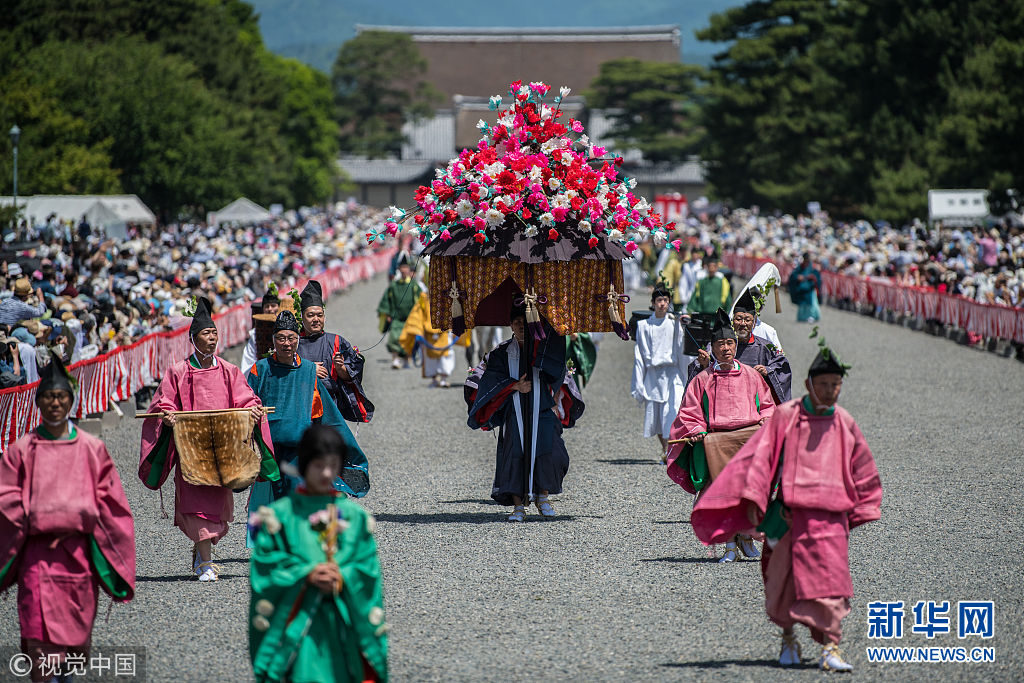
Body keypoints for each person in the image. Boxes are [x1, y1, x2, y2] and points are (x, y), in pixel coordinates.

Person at [690, 334, 882, 671]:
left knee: (832, 583)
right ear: (809, 384)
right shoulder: (787, 416)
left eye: (836, 384)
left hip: (830, 517)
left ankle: (830, 648)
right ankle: (788, 638)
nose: (830, 391)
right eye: (824, 384)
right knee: (783, 581)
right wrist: (753, 500)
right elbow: (760, 459)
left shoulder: (844, 421)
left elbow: (862, 467)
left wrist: (861, 507)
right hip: (789, 515)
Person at [0, 351, 135, 682]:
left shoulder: (92, 448)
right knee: (38, 638)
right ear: (38, 402)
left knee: (74, 647)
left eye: (61, 397)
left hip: (78, 558)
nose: (55, 404)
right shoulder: (21, 450)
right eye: (47, 397)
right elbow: (5, 499)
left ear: (71, 401)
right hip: (37, 557)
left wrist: (83, 512)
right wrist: (37, 514)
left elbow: (112, 503)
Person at [139, 296, 277, 581]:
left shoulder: (228, 371)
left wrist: (251, 412)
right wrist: (167, 415)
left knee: (217, 505)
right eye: (206, 333)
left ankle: (203, 553)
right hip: (191, 450)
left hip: (222, 450)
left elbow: (246, 399)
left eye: (214, 332)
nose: (212, 337)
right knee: (196, 505)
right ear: (193, 338)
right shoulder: (178, 372)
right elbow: (162, 402)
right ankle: (205, 561)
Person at [248, 425, 388, 683]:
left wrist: (343, 574)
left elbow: (368, 567)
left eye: (333, 465)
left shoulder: (355, 517)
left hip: (342, 619)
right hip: (297, 625)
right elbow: (265, 565)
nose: (326, 473)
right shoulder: (278, 516)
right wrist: (307, 574)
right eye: (318, 465)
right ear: (303, 465)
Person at [246, 310, 370, 546]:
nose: (286, 343)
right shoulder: (259, 370)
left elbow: (327, 416)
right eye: (281, 338)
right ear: (273, 341)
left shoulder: (308, 372)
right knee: (269, 503)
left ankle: (298, 546)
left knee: (298, 499)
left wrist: (347, 450)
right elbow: (244, 401)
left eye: (291, 338)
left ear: (297, 340)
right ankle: (273, 548)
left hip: (299, 452)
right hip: (266, 451)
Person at [666, 308, 776, 562]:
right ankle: (729, 546)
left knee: (751, 493)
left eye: (729, 343)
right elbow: (689, 411)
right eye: (720, 344)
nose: (726, 348)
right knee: (722, 496)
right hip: (716, 443)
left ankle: (747, 537)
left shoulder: (751, 375)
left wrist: (766, 425)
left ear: (735, 345)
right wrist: (696, 431)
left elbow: (768, 407)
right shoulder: (703, 379)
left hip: (748, 441)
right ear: (712, 348)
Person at [468, 304, 584, 521]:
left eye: (525, 322)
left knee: (551, 453)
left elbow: (557, 372)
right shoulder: (503, 352)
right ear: (511, 325)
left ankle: (543, 498)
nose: (521, 327)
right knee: (515, 455)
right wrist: (514, 386)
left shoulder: (544, 347)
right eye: (517, 323)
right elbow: (491, 379)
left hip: (542, 407)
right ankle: (518, 507)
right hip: (516, 410)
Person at [688, 288, 793, 403]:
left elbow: (782, 366)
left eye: (747, 320)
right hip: (723, 400)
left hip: (755, 402)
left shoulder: (765, 347)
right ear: (732, 321)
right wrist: (704, 364)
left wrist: (767, 370)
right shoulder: (719, 346)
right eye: (739, 319)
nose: (743, 324)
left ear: (753, 324)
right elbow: (700, 367)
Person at [295, 280, 375, 423]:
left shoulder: (337, 341)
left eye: (319, 315)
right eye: (310, 315)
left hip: (331, 407)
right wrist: (308, 369)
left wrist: (342, 369)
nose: (316, 319)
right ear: (302, 317)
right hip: (299, 407)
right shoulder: (292, 344)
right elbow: (283, 372)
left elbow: (351, 376)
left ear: (324, 317)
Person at [632, 284, 692, 461]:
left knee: (672, 411)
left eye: (665, 300)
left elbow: (682, 348)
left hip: (672, 373)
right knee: (656, 416)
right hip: (653, 375)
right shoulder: (644, 326)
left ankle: (673, 451)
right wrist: (639, 381)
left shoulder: (675, 323)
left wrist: (684, 325)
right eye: (659, 300)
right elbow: (639, 355)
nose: (662, 304)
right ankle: (666, 449)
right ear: (653, 303)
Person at [397, 290, 470, 388]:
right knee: (430, 358)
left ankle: (443, 379)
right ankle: (434, 379)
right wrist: (418, 331)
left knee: (445, 357)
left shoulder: (449, 294)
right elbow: (417, 315)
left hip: (444, 332)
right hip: (428, 333)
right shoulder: (424, 297)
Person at [377, 253, 422, 370]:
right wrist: (387, 313)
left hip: (410, 318)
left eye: (406, 267)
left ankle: (408, 359)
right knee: (394, 338)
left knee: (408, 339)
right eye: (402, 267)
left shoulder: (414, 285)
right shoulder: (394, 285)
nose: (404, 270)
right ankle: (395, 359)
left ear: (408, 269)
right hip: (396, 318)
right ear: (399, 269)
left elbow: (421, 300)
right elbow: (386, 300)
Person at [241, 284, 282, 374]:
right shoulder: (255, 334)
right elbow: (248, 361)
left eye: (273, 305)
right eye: (267, 306)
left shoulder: (287, 329)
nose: (270, 309)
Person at [788, 253, 822, 323]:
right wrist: (798, 277)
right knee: (802, 305)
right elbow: (793, 276)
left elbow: (816, 277)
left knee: (811, 304)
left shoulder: (813, 267)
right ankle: (802, 317)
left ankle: (811, 316)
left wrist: (811, 278)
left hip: (810, 289)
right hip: (801, 289)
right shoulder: (800, 267)